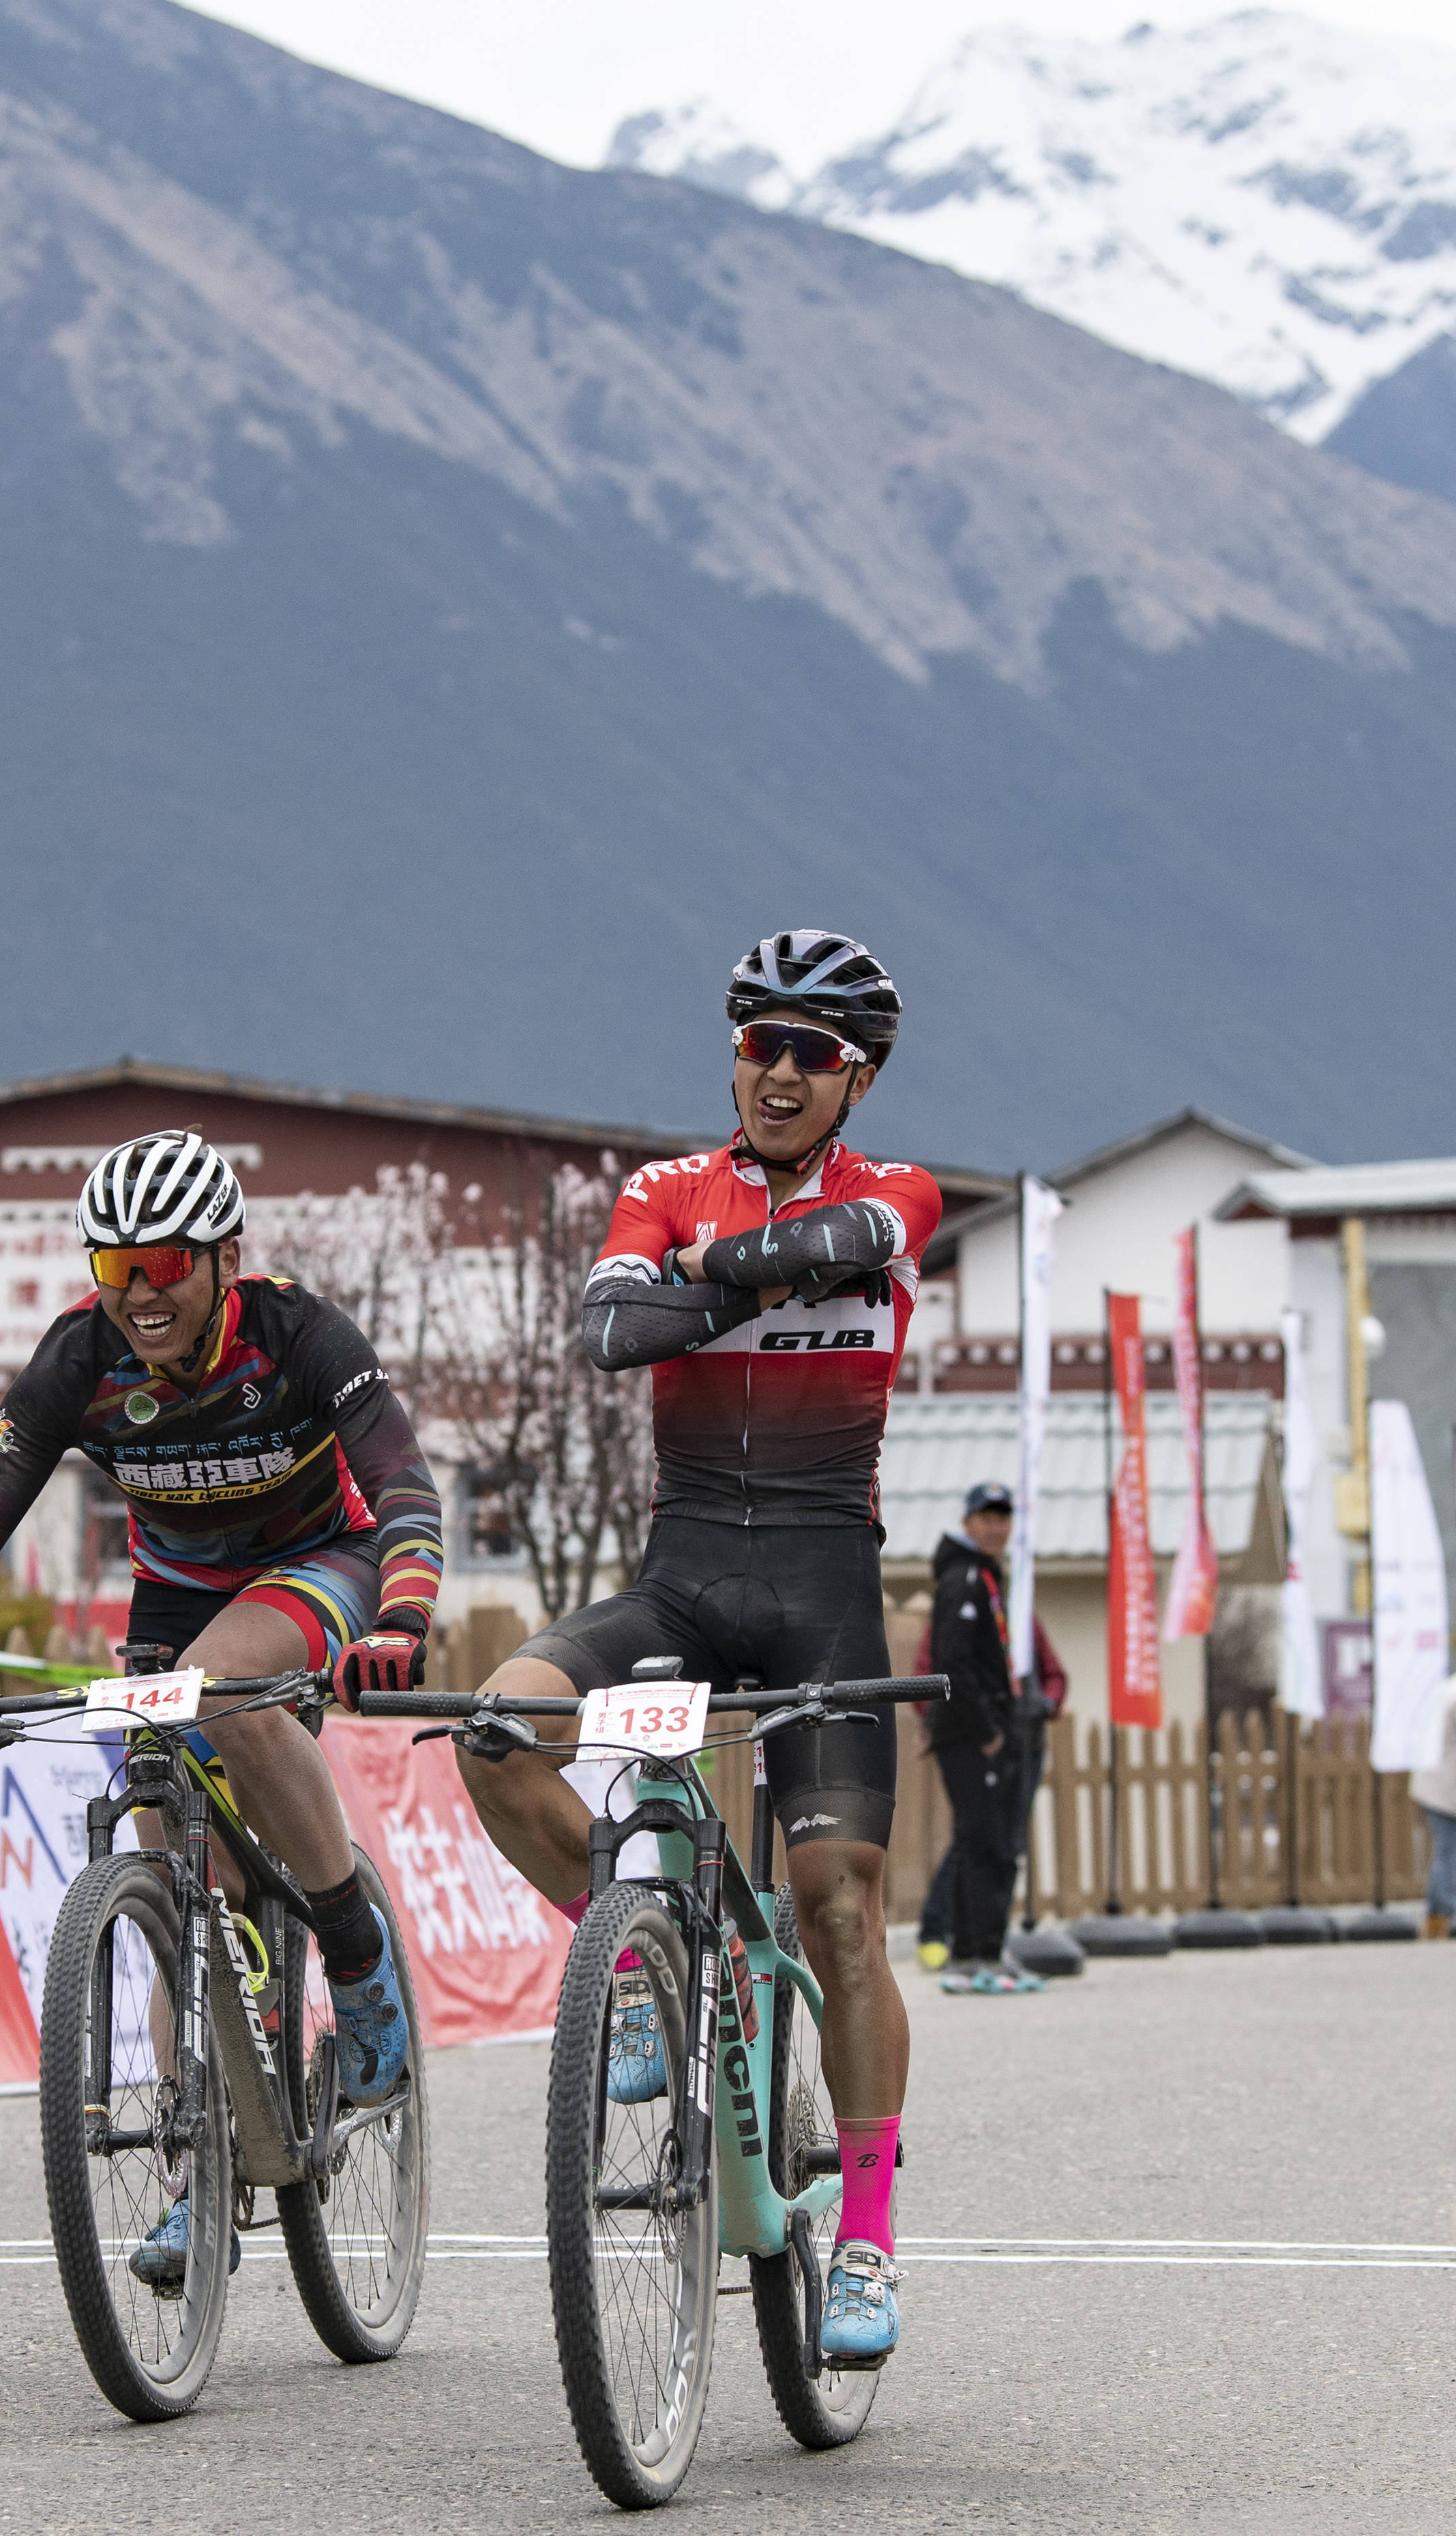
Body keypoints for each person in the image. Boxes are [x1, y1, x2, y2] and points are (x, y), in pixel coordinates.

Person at [455, 928, 938, 2369]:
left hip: (822, 1582)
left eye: (812, 1053)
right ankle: (654, 1948)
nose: (777, 1071)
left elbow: (828, 1245)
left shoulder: (897, 1188)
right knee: (496, 1726)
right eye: (757, 1042)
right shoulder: (661, 1184)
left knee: (835, 1901)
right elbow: (608, 1330)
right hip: (678, 1574)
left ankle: (865, 2234)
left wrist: (699, 1283)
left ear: (857, 1079)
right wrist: (751, 1267)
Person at [0, 1131, 444, 2281]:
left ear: (225, 1255)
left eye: (166, 1264)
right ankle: (200, 2171)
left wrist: (402, 1620)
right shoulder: (79, 1357)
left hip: (322, 1561)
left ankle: (356, 1953)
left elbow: (405, 1487)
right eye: (115, 1269)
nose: (141, 1295)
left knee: (222, 1696)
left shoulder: (300, 1334)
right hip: (173, 1589)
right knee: (180, 1880)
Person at [913, 1479, 1067, 1973]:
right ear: (967, 1522)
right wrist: (986, 1731)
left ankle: (979, 1951)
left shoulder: (990, 1580)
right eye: (987, 1517)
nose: (996, 1527)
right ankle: (973, 1953)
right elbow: (951, 1663)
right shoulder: (965, 1581)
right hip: (970, 1737)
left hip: (985, 1733)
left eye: (1003, 1518)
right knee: (980, 1843)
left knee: (991, 1842)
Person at [1410, 1666, 1456, 1936]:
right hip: (1445, 1787)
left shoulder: (1447, 1689)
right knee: (1448, 1853)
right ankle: (1441, 1913)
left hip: (1437, 1784)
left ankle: (1439, 1915)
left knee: (1447, 1852)